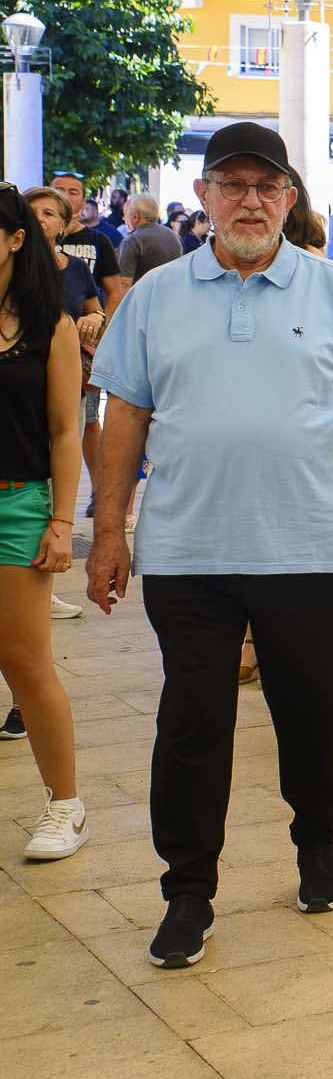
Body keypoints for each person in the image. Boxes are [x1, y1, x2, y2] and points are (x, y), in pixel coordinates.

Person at [85, 121, 333, 970]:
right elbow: (123, 413)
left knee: (311, 707)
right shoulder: (155, 295)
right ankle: (188, 890)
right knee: (193, 719)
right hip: (188, 549)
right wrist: (108, 527)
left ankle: (317, 841)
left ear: (291, 198)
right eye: (232, 184)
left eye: (267, 185)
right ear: (205, 197)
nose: (251, 199)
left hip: (306, 543)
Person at [0, 187, 93, 860]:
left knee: (25, 663)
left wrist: (62, 520)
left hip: (17, 503)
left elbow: (66, 430)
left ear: (13, 240)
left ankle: (66, 804)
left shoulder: (49, 324)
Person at [24, 189, 104, 626]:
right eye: (32, 211)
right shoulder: (13, 270)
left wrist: (97, 320)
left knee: (61, 464)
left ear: (65, 224)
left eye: (49, 213)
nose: (40, 219)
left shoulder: (74, 270)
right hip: (20, 390)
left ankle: (43, 579)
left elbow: (95, 312)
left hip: (66, 382)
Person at [50, 172, 124, 512]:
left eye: (73, 191)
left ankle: (98, 491)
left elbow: (112, 291)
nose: (66, 195)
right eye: (59, 190)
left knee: (88, 421)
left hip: (82, 353)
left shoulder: (98, 242)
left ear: (83, 200)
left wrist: (101, 328)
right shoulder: (25, 247)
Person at [118, 195, 182, 285]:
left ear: (135, 217)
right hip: (172, 296)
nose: (123, 218)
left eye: (125, 214)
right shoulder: (174, 237)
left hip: (142, 297)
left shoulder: (132, 241)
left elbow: (124, 284)